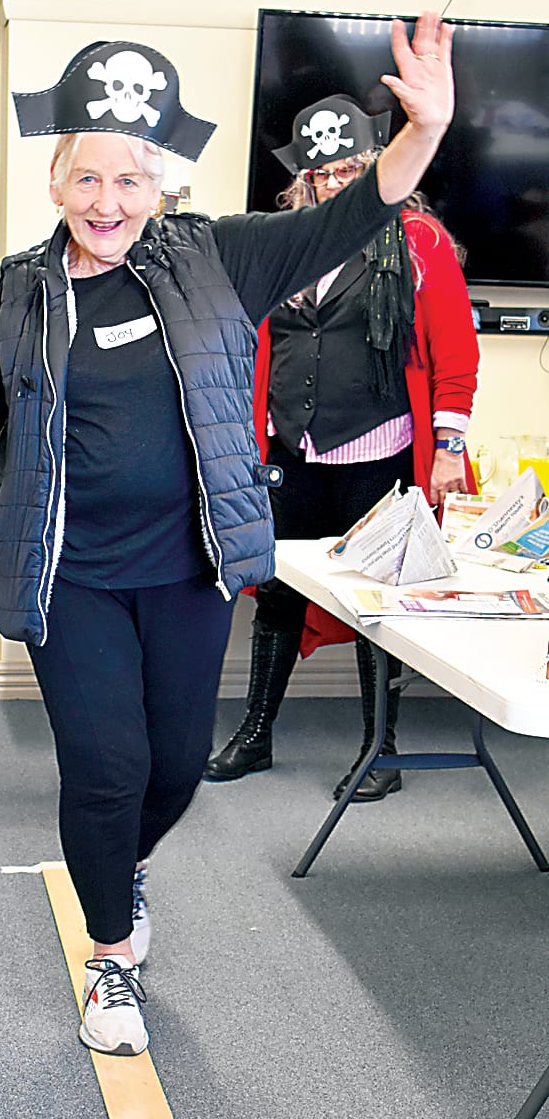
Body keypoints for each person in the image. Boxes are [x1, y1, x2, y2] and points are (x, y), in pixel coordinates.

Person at [0, 15, 456, 1056]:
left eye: (128, 181)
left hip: (189, 570)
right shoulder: (19, 296)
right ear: (55, 185)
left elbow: (354, 216)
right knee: (105, 768)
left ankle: (123, 865)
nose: (106, 203)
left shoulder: (218, 258)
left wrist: (419, 133)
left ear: (158, 183)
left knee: (170, 766)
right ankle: (109, 959)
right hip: (70, 574)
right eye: (85, 180)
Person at [204, 91, 479, 800]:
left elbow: (455, 352)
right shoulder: (284, 240)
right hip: (293, 451)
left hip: (380, 451)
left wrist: (448, 446)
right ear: (308, 180)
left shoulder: (419, 242)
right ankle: (255, 734)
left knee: (373, 604)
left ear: (380, 166)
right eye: (327, 174)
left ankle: (379, 749)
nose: (340, 183)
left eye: (356, 167)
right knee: (276, 592)